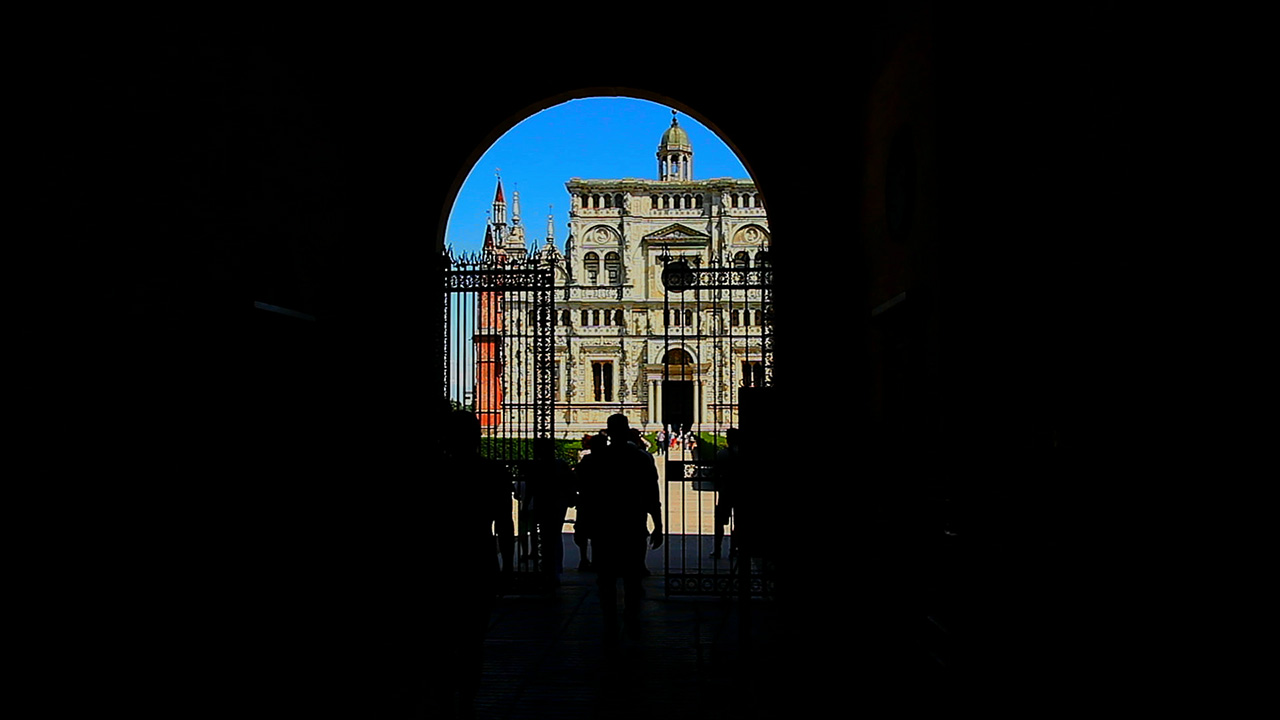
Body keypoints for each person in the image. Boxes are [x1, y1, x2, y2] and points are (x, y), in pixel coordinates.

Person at [577, 413, 663, 642]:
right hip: (632, 524)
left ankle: (609, 621)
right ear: (627, 432)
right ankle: (632, 618)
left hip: (604, 526)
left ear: (608, 432)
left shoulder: (594, 460)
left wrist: (583, 524)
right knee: (633, 576)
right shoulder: (642, 459)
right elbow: (652, 494)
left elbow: (584, 495)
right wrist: (659, 524)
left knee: (605, 577)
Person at [527, 437, 574, 586]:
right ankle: (553, 569)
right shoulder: (560, 464)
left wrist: (525, 505)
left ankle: (547, 568)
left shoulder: (536, 466)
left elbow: (531, 487)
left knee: (546, 536)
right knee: (553, 536)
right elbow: (570, 482)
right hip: (558, 502)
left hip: (545, 501)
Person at [711, 428, 741, 560]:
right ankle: (733, 549)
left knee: (720, 522)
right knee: (739, 523)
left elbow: (715, 472)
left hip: (725, 491)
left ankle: (717, 549)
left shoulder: (722, 454)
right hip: (739, 491)